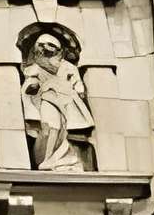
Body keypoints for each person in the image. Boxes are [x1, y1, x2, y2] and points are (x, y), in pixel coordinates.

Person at [20, 28, 97, 169]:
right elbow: (30, 82)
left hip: (65, 103)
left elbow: (77, 80)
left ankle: (56, 157)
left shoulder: (67, 66)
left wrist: (79, 87)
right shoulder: (36, 67)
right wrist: (32, 85)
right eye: (41, 45)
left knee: (62, 129)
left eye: (49, 45)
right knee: (51, 127)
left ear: (58, 50)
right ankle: (47, 158)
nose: (44, 49)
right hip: (48, 99)